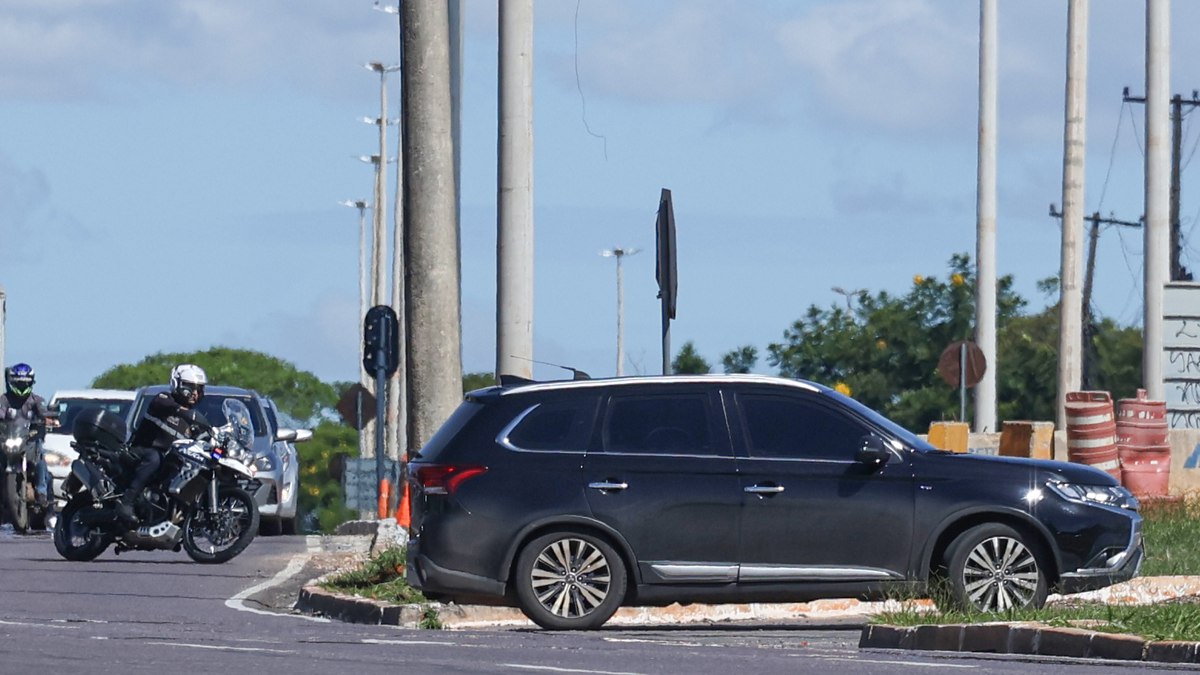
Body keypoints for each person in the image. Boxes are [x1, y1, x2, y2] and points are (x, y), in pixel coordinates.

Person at [120, 364, 214, 523]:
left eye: (199, 389)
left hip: (168, 461)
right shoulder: (164, 400)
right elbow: (167, 406)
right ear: (177, 384)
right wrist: (186, 413)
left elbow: (205, 439)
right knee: (155, 458)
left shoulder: (193, 423)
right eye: (190, 388)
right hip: (140, 451)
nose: (195, 393)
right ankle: (126, 502)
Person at [0, 363, 53, 510]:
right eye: (19, 383)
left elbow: (44, 412)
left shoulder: (36, 400)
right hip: (8, 439)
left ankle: (41, 491)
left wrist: (49, 418)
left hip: (31, 439)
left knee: (40, 456)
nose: (22, 386)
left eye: (25, 384)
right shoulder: (4, 399)